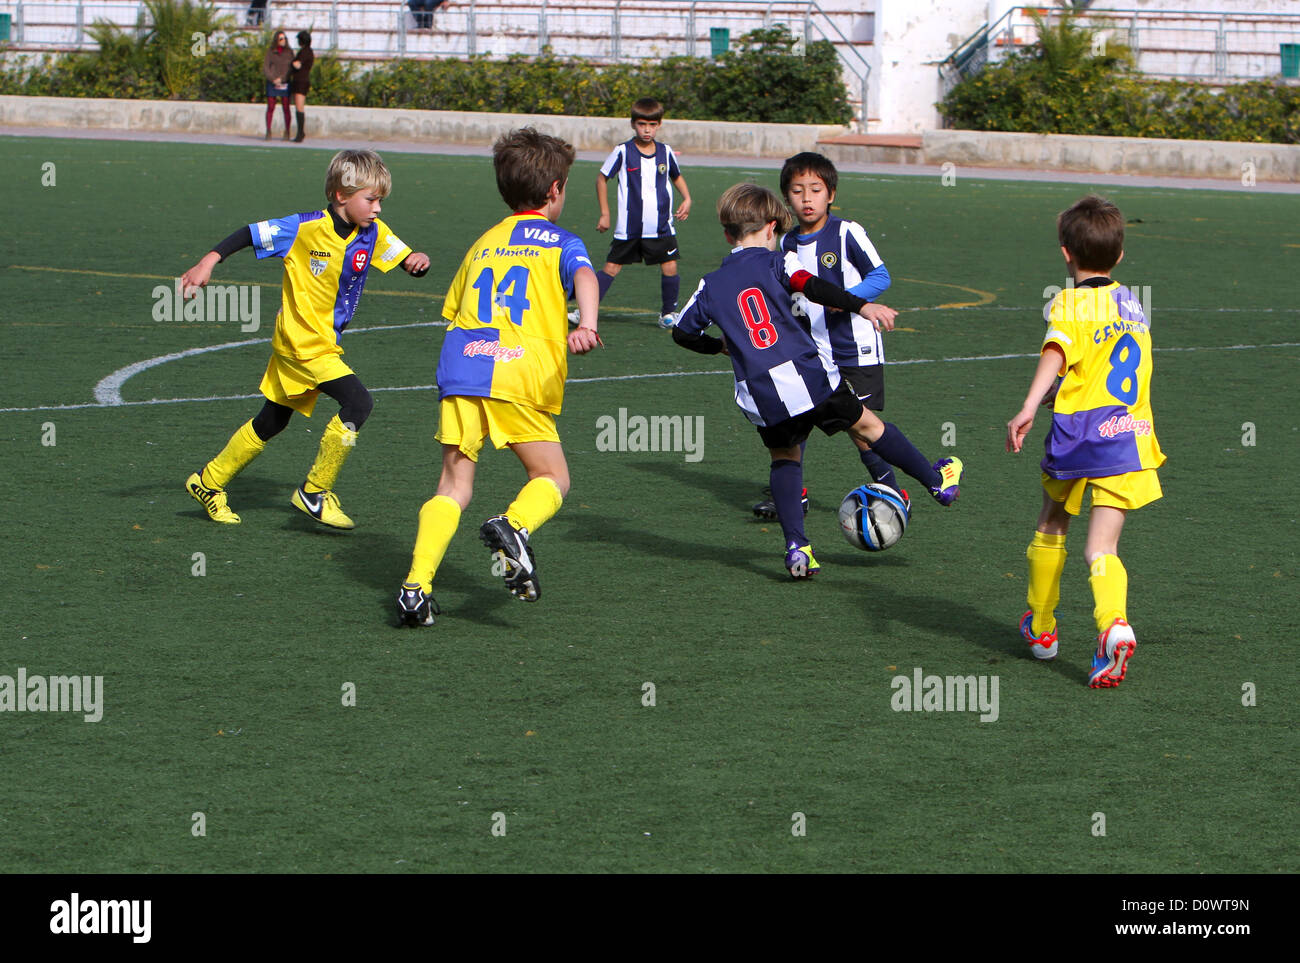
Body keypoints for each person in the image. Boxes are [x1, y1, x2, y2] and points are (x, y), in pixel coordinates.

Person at [670, 184, 963, 579]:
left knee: (785, 460)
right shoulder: (780, 262)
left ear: (727, 234)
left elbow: (682, 332)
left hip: (761, 392)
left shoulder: (711, 284)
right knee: (869, 426)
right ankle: (936, 483)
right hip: (808, 376)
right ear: (772, 226)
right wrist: (862, 304)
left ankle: (798, 549)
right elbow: (814, 287)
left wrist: (719, 347)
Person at [397, 128, 601, 627]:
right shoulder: (561, 241)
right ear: (555, 190)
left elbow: (456, 309)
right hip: (518, 369)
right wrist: (587, 323)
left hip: (462, 365)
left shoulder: (482, 242)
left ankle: (415, 588)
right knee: (551, 476)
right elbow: (585, 275)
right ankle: (513, 525)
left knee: (453, 485)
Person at [180, 150, 430, 530]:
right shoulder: (304, 227)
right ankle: (314, 492)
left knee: (273, 420)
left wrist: (417, 262)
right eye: (371, 199)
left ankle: (208, 481)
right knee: (358, 403)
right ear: (340, 195)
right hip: (302, 343)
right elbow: (250, 233)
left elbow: (404, 258)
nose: (377, 208)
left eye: (381, 200)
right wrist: (208, 260)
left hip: (316, 343)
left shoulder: (374, 233)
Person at [1006, 194, 1165, 688]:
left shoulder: (1069, 302)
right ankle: (1113, 624)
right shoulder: (1133, 304)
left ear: (1065, 253)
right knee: (1103, 548)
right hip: (1130, 436)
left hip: (1079, 434)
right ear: (1118, 257)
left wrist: (1032, 403)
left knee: (1053, 522)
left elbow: (1058, 351)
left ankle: (1043, 627)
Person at [754, 150, 899, 520]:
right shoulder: (785, 244)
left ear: (830, 194)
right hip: (809, 351)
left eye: (815, 190)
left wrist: (848, 302)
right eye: (798, 190)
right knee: (794, 420)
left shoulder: (848, 233)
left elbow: (880, 277)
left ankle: (893, 491)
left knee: (861, 429)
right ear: (786, 196)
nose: (806, 198)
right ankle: (792, 494)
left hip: (855, 350)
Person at [592, 97, 692, 328]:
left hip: (660, 226)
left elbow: (676, 176)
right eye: (641, 124)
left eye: (652, 125)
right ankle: (586, 310)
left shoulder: (665, 152)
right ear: (633, 124)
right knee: (611, 268)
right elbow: (601, 178)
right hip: (629, 227)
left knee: (670, 267)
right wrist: (605, 213)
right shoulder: (622, 151)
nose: (647, 130)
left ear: (659, 125)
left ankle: (668, 314)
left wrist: (687, 198)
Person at [263, 30, 294, 141]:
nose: (283, 41)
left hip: (285, 82)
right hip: (272, 83)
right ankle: (268, 130)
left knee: (286, 108)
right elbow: (266, 67)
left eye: (284, 38)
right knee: (271, 107)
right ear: (276, 40)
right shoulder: (271, 52)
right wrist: (273, 79)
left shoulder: (289, 52)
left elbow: (291, 68)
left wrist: (283, 79)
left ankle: (287, 131)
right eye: (281, 39)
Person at [290, 31, 314, 143]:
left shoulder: (305, 52)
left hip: (301, 81)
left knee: (299, 107)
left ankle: (300, 132)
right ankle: (300, 132)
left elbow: (297, 64)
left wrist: (292, 63)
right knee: (298, 107)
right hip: (300, 80)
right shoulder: (307, 51)